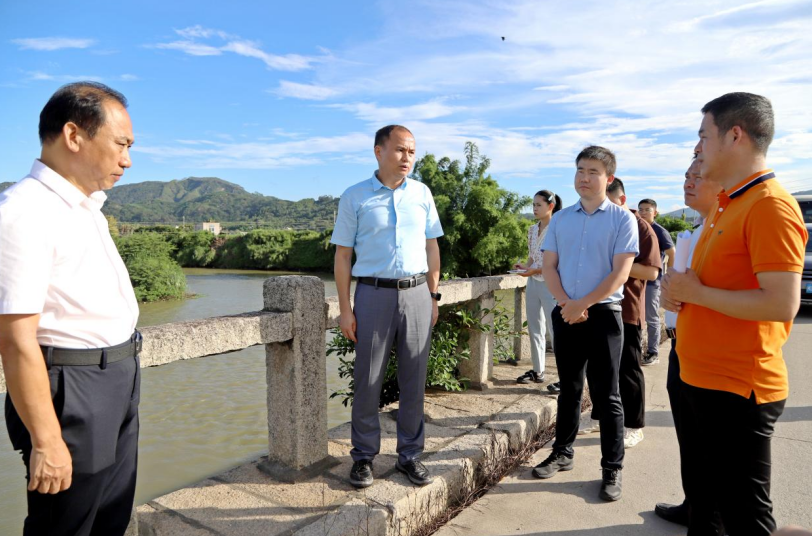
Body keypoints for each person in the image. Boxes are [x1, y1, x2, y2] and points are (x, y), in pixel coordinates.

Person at [663, 92, 808, 536]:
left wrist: (696, 292)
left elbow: (780, 303)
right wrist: (681, 294)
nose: (698, 148)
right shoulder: (728, 202)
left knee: (746, 523)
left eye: (703, 136)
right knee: (706, 507)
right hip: (703, 379)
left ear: (735, 135)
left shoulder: (769, 205)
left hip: (737, 389)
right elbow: (714, 285)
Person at [0, 82, 141, 536]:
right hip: (72, 390)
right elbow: (15, 339)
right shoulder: (23, 211)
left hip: (117, 377)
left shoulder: (87, 208)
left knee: (110, 518)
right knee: (65, 525)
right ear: (74, 135)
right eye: (121, 144)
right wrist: (46, 440)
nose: (127, 160)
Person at [331, 125, 444, 489]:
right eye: (399, 150)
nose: (407, 157)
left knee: (414, 379)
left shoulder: (422, 193)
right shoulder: (355, 196)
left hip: (417, 293)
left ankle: (410, 455)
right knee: (368, 379)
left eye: (411, 151)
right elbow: (343, 256)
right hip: (373, 294)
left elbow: (432, 247)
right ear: (379, 151)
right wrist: (346, 309)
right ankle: (364, 457)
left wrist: (433, 295)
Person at [532, 146, 638, 502]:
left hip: (604, 315)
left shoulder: (622, 220)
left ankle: (612, 468)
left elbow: (620, 273)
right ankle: (562, 452)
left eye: (593, 171)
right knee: (570, 389)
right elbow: (549, 266)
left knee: (607, 395)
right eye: (580, 170)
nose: (584, 177)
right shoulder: (561, 220)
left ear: (608, 178)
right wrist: (567, 303)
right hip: (565, 312)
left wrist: (584, 303)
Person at [654, 159, 723, 530]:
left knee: (708, 439)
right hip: (681, 344)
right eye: (686, 176)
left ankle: (713, 516)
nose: (688, 182)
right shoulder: (697, 229)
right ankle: (693, 503)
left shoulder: (725, 230)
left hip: (708, 349)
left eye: (698, 177)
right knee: (689, 434)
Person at [603, 178, 660, 449]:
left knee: (628, 370)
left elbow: (651, 272)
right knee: (601, 369)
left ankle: (634, 426)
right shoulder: (601, 223)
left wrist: (617, 264)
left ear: (622, 200)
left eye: (608, 203)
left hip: (627, 309)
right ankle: (600, 416)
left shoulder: (642, 228)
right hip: (599, 306)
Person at [512, 190, 562, 385]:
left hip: (551, 284)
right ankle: (538, 371)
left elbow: (558, 262)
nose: (534, 208)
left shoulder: (558, 229)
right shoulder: (532, 229)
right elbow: (532, 256)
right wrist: (525, 267)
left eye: (538, 205)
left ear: (551, 206)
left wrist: (535, 270)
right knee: (535, 328)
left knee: (556, 330)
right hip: (533, 282)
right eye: (533, 205)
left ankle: (564, 377)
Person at [637, 198, 675, 365]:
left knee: (651, 317)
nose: (643, 212)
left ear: (655, 212)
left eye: (647, 209)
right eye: (641, 209)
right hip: (636, 281)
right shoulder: (636, 228)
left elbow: (672, 253)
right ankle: (636, 350)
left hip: (652, 282)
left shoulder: (659, 231)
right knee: (636, 317)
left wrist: (669, 276)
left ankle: (653, 352)